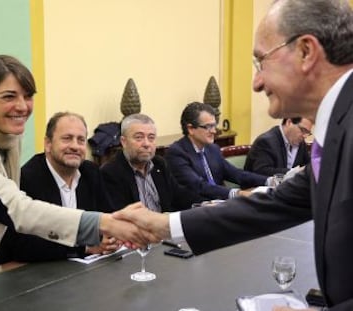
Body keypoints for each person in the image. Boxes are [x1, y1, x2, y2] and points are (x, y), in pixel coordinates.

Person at [114, 1, 353, 310]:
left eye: (260, 61)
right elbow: (274, 204)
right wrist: (163, 225)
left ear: (306, 51)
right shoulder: (338, 127)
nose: (256, 82)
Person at [0, 55, 152, 302]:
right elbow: (17, 209)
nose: (22, 106)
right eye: (9, 96)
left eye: (27, 96)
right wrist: (105, 224)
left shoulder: (6, 135)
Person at [10, 112, 120, 262]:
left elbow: (109, 215)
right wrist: (85, 248)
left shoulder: (91, 172)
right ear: (48, 144)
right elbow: (21, 244)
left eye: (81, 140)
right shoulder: (27, 178)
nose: (75, 146)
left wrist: (112, 237)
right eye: (67, 139)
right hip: (44, 271)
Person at [165, 102, 271, 200]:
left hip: (219, 206)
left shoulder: (213, 149)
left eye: (214, 125)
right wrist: (237, 193)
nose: (214, 131)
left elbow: (237, 174)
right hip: (195, 210)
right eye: (208, 127)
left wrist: (269, 181)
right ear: (191, 129)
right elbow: (199, 186)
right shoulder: (177, 153)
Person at [101, 113, 203, 212]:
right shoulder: (111, 172)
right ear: (124, 142)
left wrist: (206, 205)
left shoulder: (159, 164)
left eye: (151, 138)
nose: (146, 144)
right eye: (139, 137)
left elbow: (179, 195)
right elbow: (121, 218)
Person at [244, 117, 312, 176]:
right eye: (303, 130)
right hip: (257, 189)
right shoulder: (266, 141)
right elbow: (262, 171)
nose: (305, 136)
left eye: (308, 133)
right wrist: (295, 172)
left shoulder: (300, 143)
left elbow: (307, 165)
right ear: (289, 122)